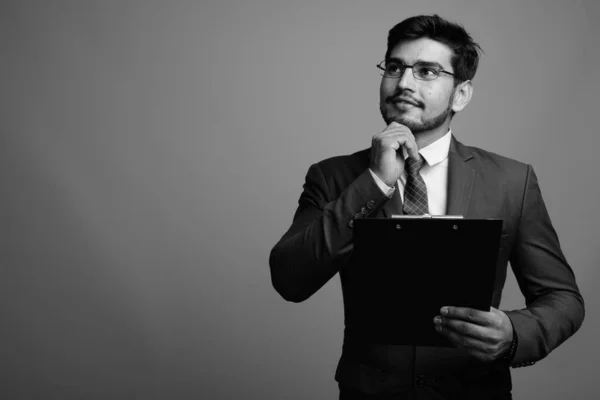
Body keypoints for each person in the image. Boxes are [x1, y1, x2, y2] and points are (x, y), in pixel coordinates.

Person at [269, 14, 584, 399]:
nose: (403, 83)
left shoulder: (511, 181)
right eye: (395, 67)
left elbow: (563, 299)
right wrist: (376, 183)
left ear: (461, 94)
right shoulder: (333, 176)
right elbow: (289, 278)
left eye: (427, 72)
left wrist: (514, 334)